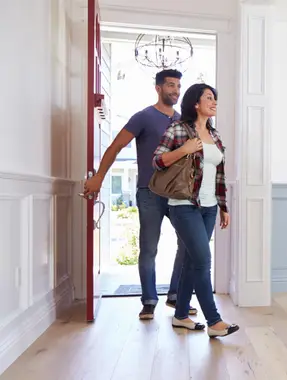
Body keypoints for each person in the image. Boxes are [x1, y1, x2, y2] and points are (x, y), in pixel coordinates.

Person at [82, 69, 198, 320]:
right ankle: (148, 300)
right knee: (148, 248)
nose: (175, 91)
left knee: (187, 244)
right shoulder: (144, 117)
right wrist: (99, 177)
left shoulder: (183, 121)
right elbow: (115, 147)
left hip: (179, 194)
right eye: (170, 85)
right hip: (149, 192)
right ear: (158, 88)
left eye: (178, 86)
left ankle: (176, 295)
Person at [152, 83, 239, 338]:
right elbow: (157, 160)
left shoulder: (216, 135)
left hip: (210, 207)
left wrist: (223, 207)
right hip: (184, 206)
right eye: (209, 98)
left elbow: (219, 175)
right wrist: (184, 149)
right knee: (202, 261)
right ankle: (214, 321)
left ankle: (180, 316)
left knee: (192, 261)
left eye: (215, 98)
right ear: (195, 103)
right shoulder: (178, 129)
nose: (214, 102)